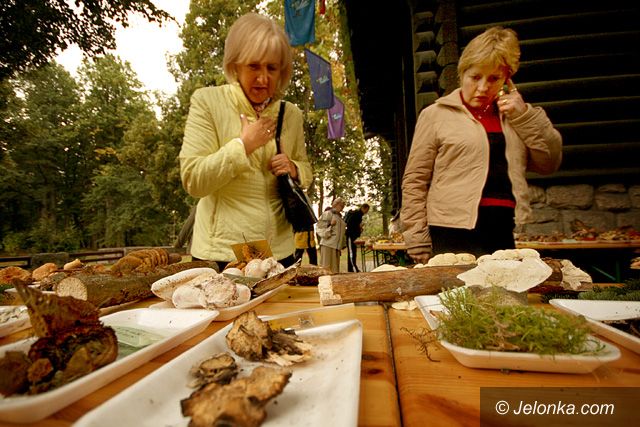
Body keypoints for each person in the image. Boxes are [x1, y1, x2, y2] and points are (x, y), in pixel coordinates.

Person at [401, 27, 562, 263]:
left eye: (494, 78)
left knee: (504, 286)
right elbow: (415, 179)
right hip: (451, 230)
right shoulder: (435, 115)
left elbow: (549, 163)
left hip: (504, 226)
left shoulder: (517, 116)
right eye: (475, 77)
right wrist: (416, 237)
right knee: (456, 288)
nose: (483, 87)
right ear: (462, 73)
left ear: (507, 80)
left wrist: (524, 116)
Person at [179, 13, 312, 270]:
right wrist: (243, 146)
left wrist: (294, 168)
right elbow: (193, 180)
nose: (263, 78)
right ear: (235, 65)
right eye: (253, 66)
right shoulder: (207, 102)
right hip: (220, 254)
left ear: (282, 71)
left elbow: (306, 169)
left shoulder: (291, 114)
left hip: (278, 253)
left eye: (271, 68)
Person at [317, 198, 346, 273]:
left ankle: (333, 281)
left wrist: (341, 245)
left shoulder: (339, 217)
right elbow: (320, 227)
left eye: (343, 206)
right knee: (326, 269)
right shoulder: (328, 213)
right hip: (328, 245)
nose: (342, 208)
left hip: (336, 247)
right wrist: (330, 224)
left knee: (334, 270)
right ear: (335, 204)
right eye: (341, 205)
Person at [344, 203, 370, 272]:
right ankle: (353, 268)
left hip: (354, 237)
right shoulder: (356, 214)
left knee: (353, 252)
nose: (366, 212)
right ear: (363, 208)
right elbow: (349, 225)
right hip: (350, 236)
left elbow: (355, 225)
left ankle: (352, 268)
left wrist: (359, 228)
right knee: (351, 253)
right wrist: (358, 227)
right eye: (366, 210)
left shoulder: (359, 215)